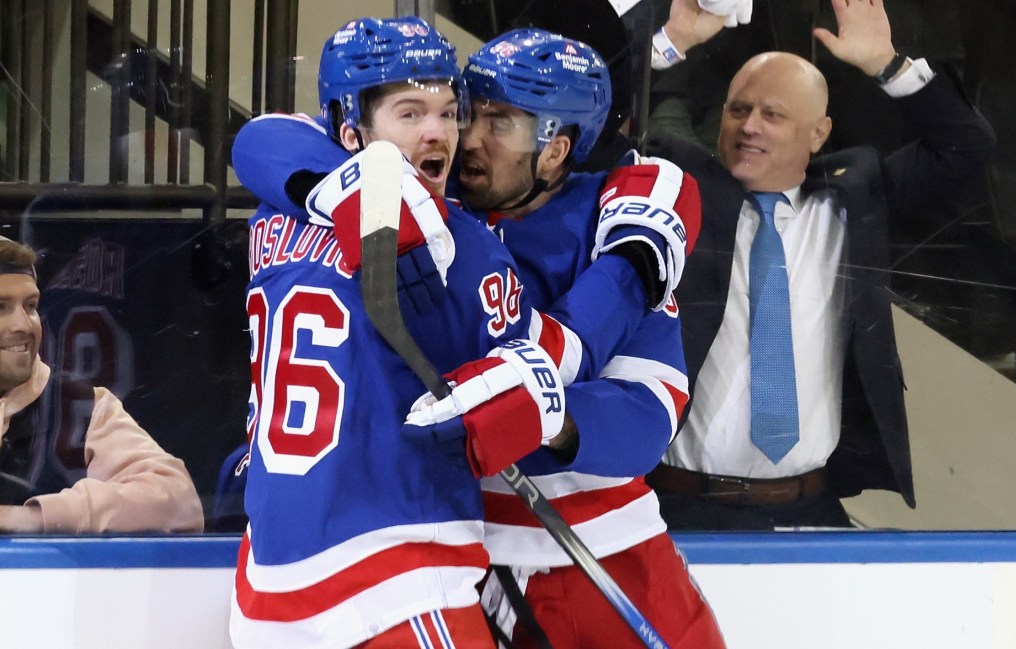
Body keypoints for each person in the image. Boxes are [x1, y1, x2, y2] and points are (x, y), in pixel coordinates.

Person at [234, 25, 724, 649]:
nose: (466, 138)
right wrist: (342, 184)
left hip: (604, 550)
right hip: (473, 562)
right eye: (473, 111)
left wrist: (554, 413)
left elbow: (650, 413)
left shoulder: (611, 226)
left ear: (555, 150)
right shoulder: (432, 203)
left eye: (503, 124)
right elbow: (274, 137)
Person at [642, 0, 996, 529]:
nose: (750, 127)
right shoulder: (676, 190)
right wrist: (665, 46)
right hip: (674, 506)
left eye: (773, 115)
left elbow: (966, 147)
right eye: (738, 110)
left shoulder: (856, 200)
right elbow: (593, 136)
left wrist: (887, 65)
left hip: (810, 507)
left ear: (818, 134)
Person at [0, 238, 203, 534]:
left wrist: (32, 517)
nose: (23, 324)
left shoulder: (81, 406)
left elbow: (179, 502)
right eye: (1, 307)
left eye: (30, 306)